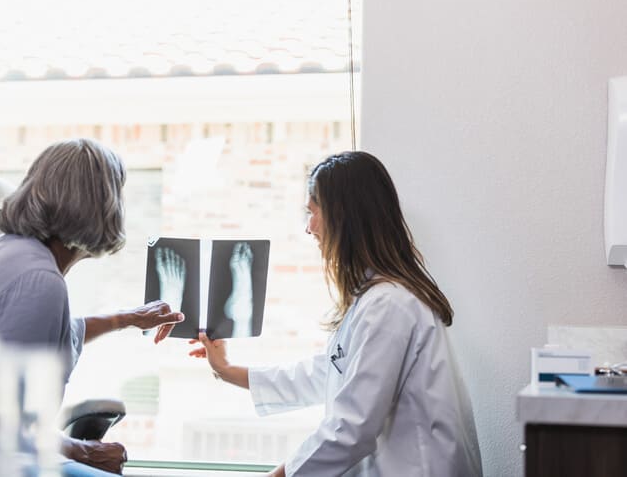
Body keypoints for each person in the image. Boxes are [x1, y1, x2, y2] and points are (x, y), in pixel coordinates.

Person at [189, 151, 483, 476]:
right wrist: (228, 370)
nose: (309, 227)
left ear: (343, 216)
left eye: (313, 213)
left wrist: (279, 476)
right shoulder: (376, 297)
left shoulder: (389, 305)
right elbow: (328, 374)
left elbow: (351, 428)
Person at [0, 138, 185, 476]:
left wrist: (126, 319)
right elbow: (3, 422)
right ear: (103, 205)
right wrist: (84, 451)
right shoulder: (39, 281)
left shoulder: (10, 251)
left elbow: (56, 332)